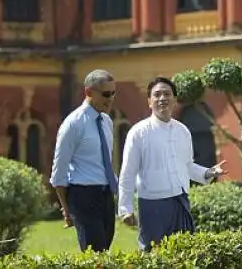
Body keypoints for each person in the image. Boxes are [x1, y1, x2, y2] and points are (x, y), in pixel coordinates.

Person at [118, 76, 227, 251]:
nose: (162, 98)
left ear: (174, 100)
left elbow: (187, 166)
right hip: (152, 205)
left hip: (180, 202)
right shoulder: (138, 132)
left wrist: (208, 172)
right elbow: (128, 173)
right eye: (157, 95)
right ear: (149, 101)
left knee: (185, 255)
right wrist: (125, 208)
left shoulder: (182, 131)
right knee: (153, 255)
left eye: (167, 94)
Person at [49, 69, 118, 253]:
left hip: (105, 195)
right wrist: (66, 209)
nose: (110, 98)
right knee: (95, 255)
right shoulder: (73, 124)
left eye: (113, 93)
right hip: (83, 195)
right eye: (105, 94)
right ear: (88, 92)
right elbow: (59, 172)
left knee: (105, 253)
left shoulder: (106, 121)